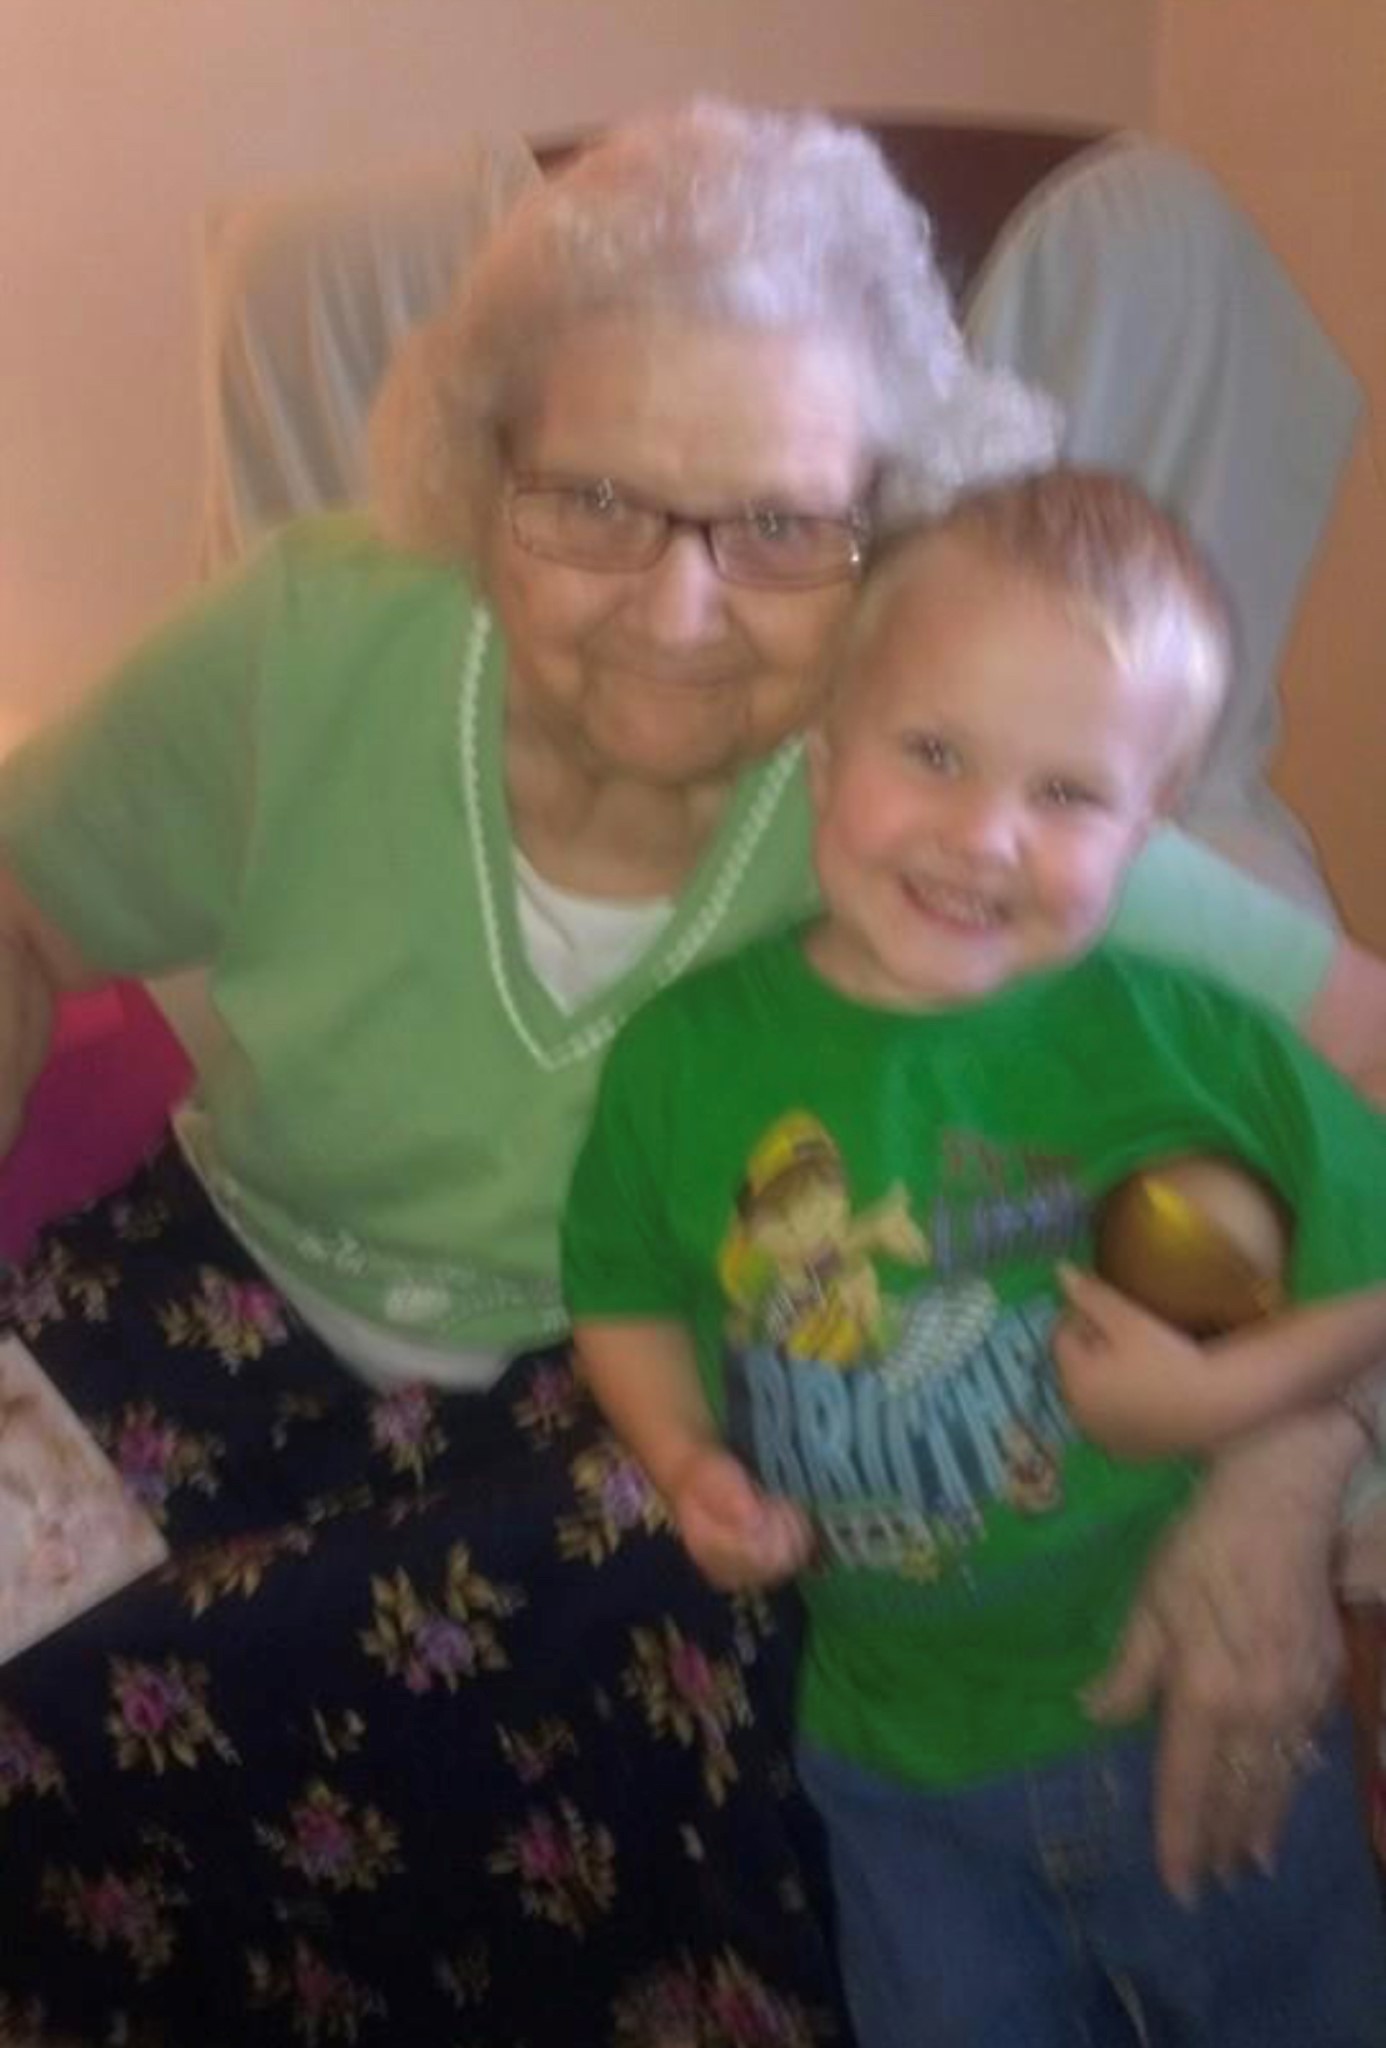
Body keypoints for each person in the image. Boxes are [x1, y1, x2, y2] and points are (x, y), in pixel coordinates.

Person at [0, 100, 1382, 2042]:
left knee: (679, 1684)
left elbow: (1350, 1057)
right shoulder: (309, 639)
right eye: (592, 500)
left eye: (779, 526)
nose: (677, 612)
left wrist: (1285, 1457)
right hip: (218, 1296)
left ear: (889, 526)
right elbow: (25, 901)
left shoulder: (940, 787)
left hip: (626, 1420)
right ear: (483, 467)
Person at [563, 469, 1386, 2047]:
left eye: (1067, 793)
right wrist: (680, 1457)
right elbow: (622, 1286)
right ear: (826, 754)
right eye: (932, 753)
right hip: (894, 1773)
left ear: (1146, 829)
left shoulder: (1188, 1041)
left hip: (1180, 1708)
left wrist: (1222, 1407)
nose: (982, 835)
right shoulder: (683, 1059)